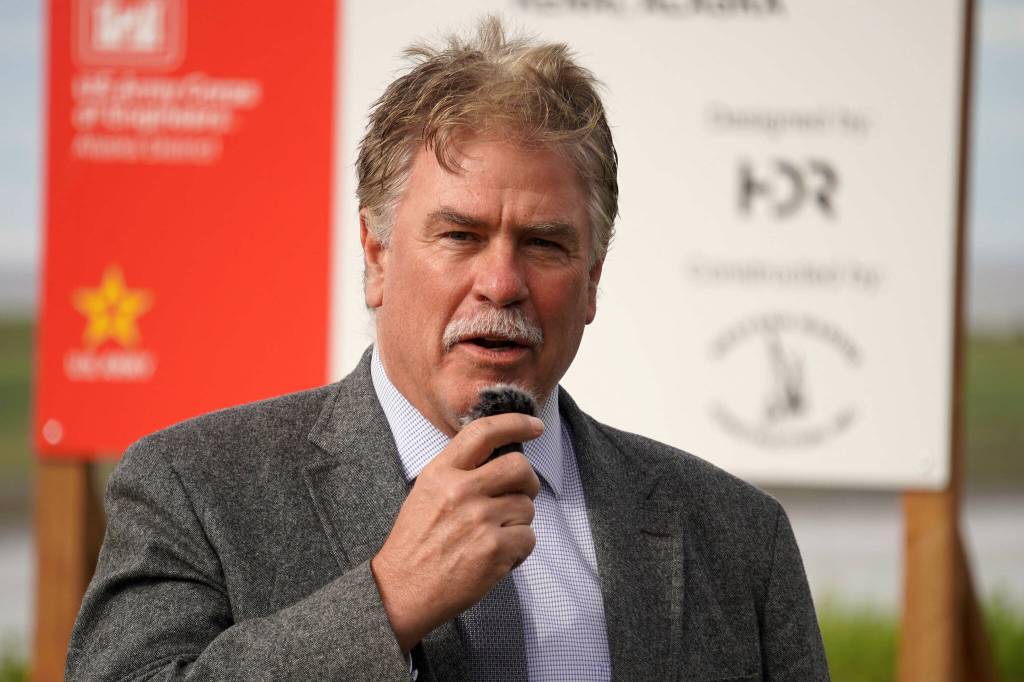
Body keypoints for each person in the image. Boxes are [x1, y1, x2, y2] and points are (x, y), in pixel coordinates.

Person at [67, 17, 829, 681]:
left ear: (593, 280)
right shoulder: (195, 489)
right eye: (460, 235)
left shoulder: (739, 538)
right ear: (376, 256)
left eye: (544, 243)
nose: (501, 283)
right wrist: (387, 601)